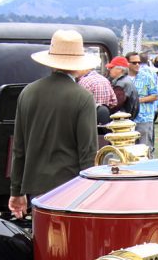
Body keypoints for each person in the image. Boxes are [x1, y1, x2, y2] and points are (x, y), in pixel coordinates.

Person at [7, 29, 99, 220]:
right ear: (78, 64)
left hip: (36, 188)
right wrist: (90, 194)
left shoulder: (28, 92)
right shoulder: (82, 97)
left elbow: (19, 148)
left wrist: (16, 190)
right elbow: (88, 152)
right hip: (70, 188)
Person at [128, 51, 158, 150]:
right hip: (128, 119)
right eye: (134, 63)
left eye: (139, 62)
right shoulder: (123, 78)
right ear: (127, 63)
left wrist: (138, 100)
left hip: (144, 118)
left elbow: (155, 95)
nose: (137, 65)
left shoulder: (146, 77)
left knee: (145, 148)